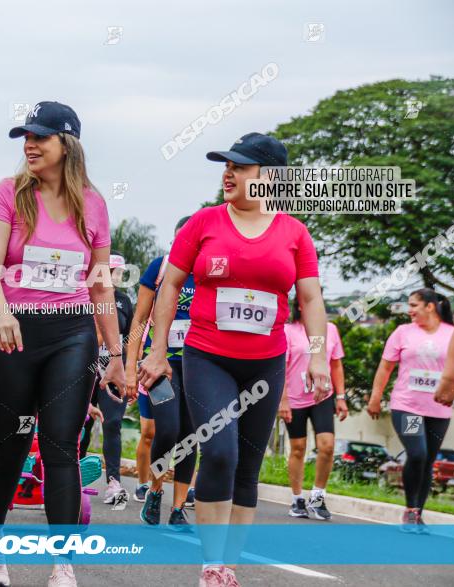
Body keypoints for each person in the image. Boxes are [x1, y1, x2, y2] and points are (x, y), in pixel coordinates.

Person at [139, 133, 328, 587]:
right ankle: (209, 564)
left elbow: (312, 299)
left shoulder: (295, 233)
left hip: (266, 363)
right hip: (208, 358)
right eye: (226, 165)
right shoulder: (203, 223)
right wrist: (158, 350)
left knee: (248, 464)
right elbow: (169, 287)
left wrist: (318, 358)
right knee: (219, 452)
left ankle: (228, 566)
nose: (228, 173)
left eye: (240, 166)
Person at [0, 101, 126, 587]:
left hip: (72, 333)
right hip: (13, 331)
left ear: (69, 144)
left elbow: (101, 285)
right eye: (26, 136)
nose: (30, 144)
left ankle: (63, 563)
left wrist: (116, 357)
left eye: (41, 136)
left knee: (62, 443)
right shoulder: (8, 193)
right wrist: (0, 312)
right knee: (14, 443)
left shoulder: (94, 203)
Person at [127, 217, 198, 530]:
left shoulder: (211, 272)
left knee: (191, 436)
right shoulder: (160, 267)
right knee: (166, 430)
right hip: (159, 363)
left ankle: (179, 507)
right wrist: (130, 365)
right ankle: (155, 490)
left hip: (198, 364)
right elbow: (140, 319)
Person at [367, 288, 454, 533]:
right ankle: (409, 510)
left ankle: (418, 513)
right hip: (408, 408)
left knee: (427, 461)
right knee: (417, 453)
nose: (410, 310)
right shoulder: (403, 333)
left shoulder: (453, 334)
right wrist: (375, 397)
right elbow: (385, 368)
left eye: (414, 305)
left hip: (438, 410)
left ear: (430, 306)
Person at [279, 297, 348, 521]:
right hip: (295, 398)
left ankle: (317, 498)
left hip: (322, 396)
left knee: (326, 446)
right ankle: (297, 499)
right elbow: (282, 366)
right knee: (298, 448)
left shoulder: (329, 329)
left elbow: (335, 364)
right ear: (300, 305)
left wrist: (340, 397)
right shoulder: (289, 331)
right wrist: (283, 400)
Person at [99, 253, 133, 506]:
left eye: (120, 272)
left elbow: (132, 338)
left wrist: (130, 372)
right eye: (112, 271)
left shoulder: (124, 302)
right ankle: (71, 478)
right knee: (80, 423)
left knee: (113, 423)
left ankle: (114, 482)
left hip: (114, 369)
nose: (117, 276)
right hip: (85, 368)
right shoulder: (89, 296)